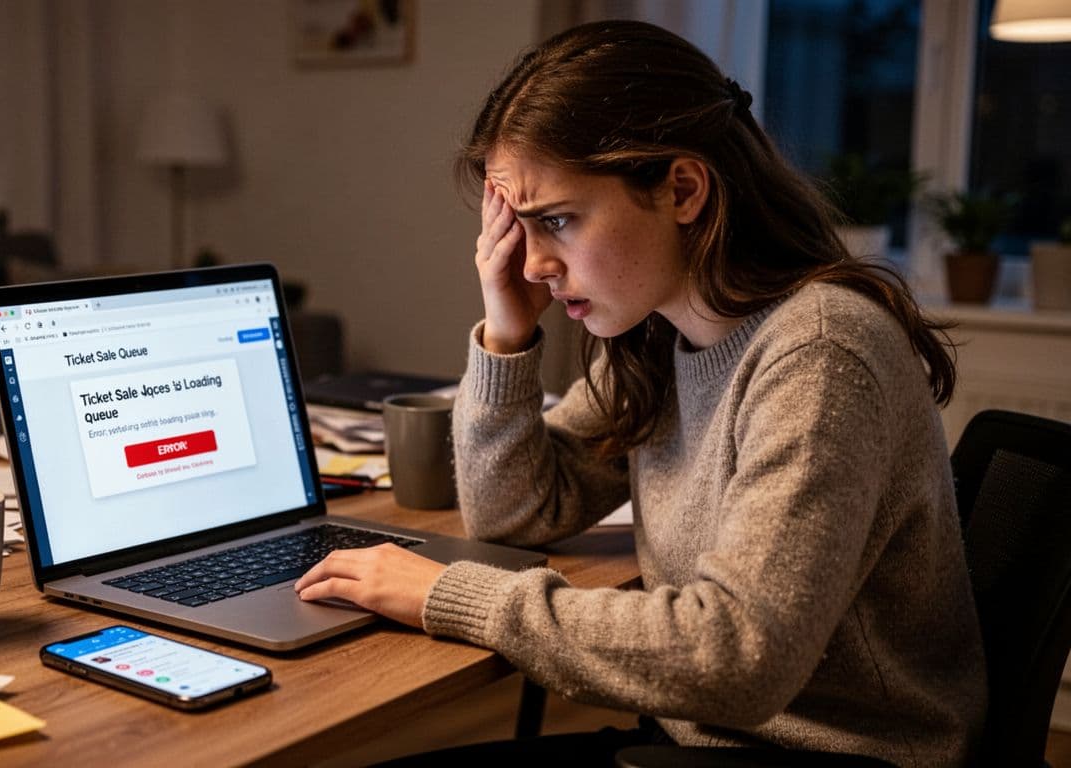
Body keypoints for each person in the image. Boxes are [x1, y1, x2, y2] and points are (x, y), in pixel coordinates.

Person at [293, 19, 986, 767]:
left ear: (683, 189)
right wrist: (507, 335)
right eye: (519, 230)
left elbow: (736, 658)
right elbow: (517, 513)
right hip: (702, 739)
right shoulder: (662, 335)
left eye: (556, 220)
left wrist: (451, 596)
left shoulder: (819, 353)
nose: (533, 265)